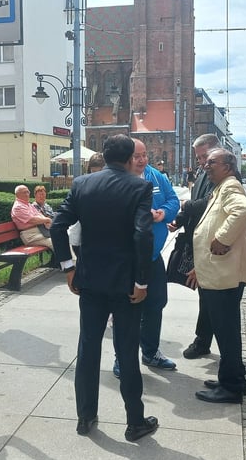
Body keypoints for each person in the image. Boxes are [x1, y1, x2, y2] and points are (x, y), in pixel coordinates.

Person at [49, 134, 159, 442]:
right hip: (126, 284)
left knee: (88, 348)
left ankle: (85, 417)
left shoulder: (82, 184)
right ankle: (135, 422)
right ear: (127, 159)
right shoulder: (140, 187)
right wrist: (141, 280)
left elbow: (57, 225)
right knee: (127, 352)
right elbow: (142, 236)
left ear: (104, 155)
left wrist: (68, 267)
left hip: (91, 281)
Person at [187, 148, 246, 404]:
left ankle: (231, 388)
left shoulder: (230, 187)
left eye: (212, 162)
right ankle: (234, 378)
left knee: (226, 332)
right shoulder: (221, 186)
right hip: (217, 271)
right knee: (226, 330)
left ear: (228, 166)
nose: (206, 165)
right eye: (206, 162)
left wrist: (222, 239)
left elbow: (244, 211)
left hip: (223, 273)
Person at [112, 138, 180, 378]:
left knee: (156, 304)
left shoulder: (155, 176)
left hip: (152, 256)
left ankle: (150, 352)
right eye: (136, 156)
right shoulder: (118, 180)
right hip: (127, 259)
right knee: (127, 310)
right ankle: (122, 358)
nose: (141, 160)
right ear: (126, 158)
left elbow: (174, 199)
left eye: (144, 155)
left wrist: (164, 213)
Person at [170, 134, 219, 359]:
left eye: (204, 156)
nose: (201, 161)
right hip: (197, 240)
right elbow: (194, 201)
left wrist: (185, 205)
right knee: (204, 295)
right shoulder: (203, 172)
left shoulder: (223, 175)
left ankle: (203, 341)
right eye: (199, 157)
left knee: (210, 297)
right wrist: (178, 221)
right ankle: (203, 339)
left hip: (211, 243)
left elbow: (207, 203)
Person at [69, 152, 105, 257]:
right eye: (93, 172)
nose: (96, 176)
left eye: (99, 172)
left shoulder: (109, 186)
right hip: (81, 238)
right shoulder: (81, 185)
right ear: (89, 170)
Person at [11, 185, 54, 249]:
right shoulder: (18, 207)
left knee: (61, 238)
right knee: (55, 242)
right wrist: (47, 220)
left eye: (28, 192)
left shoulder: (27, 204)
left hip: (39, 231)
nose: (27, 194)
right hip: (30, 235)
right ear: (17, 194)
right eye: (24, 192)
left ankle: (67, 258)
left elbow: (38, 214)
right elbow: (32, 219)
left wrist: (45, 220)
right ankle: (68, 258)